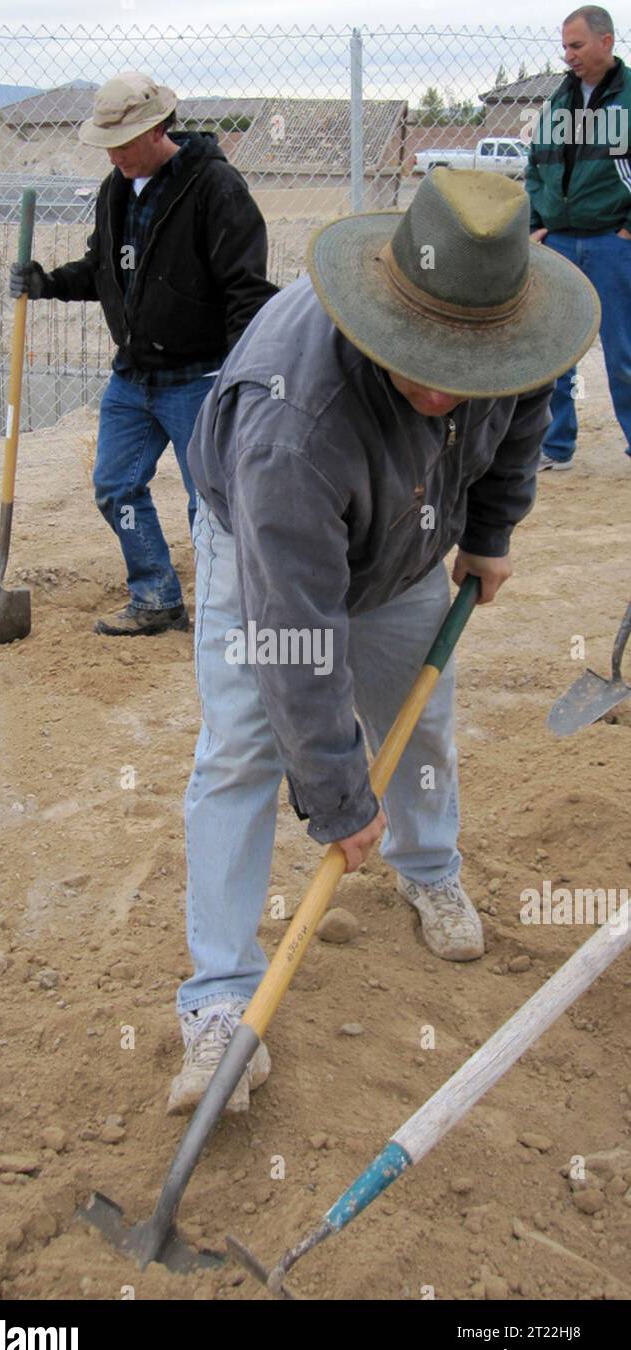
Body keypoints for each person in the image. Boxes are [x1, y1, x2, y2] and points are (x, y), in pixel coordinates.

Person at [166, 168, 600, 1114]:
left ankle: (428, 869)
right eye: (425, 368)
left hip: (409, 543)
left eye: (468, 373)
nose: (447, 396)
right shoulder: (296, 427)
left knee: (419, 717)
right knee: (244, 746)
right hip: (270, 562)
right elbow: (296, 635)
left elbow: (522, 418)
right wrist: (333, 796)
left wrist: (491, 530)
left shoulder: (515, 334)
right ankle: (219, 999)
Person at [9, 72, 278, 634]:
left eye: (125, 141)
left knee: (212, 501)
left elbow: (246, 290)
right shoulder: (115, 188)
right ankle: (156, 596)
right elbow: (104, 270)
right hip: (133, 378)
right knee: (115, 485)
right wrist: (48, 282)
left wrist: (242, 375)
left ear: (159, 128)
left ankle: (223, 609)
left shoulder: (215, 188)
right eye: (108, 142)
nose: (115, 153)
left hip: (200, 376)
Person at [526, 5, 631, 470]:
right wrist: (534, 227)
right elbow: (535, 170)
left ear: (606, 42)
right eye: (565, 46)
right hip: (558, 245)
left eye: (577, 45)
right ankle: (556, 447)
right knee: (555, 353)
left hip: (614, 244)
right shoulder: (557, 104)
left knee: (624, 354)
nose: (568, 55)